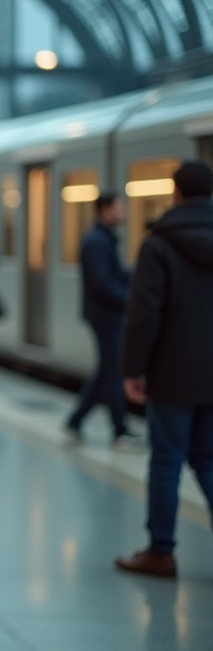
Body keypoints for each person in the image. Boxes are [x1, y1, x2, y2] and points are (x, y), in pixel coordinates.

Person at [116, 160, 213, 579]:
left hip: (172, 371)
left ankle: (160, 551)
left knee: (167, 461)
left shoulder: (159, 243)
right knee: (208, 461)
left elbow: (144, 314)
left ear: (174, 193)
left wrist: (134, 368)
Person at [65, 192, 138, 445]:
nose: (123, 214)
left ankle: (76, 420)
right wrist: (132, 299)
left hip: (106, 315)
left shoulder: (102, 239)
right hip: (105, 317)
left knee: (107, 370)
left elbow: (113, 276)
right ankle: (119, 430)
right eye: (119, 209)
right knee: (113, 372)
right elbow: (103, 283)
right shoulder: (97, 242)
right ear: (104, 210)